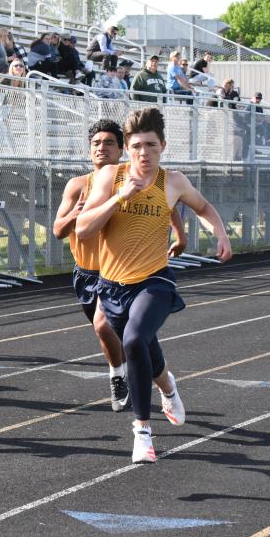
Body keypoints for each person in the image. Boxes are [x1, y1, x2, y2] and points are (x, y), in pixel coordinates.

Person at [76, 107, 232, 463]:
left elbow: (203, 207)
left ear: (162, 146)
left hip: (155, 280)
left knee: (132, 340)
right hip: (113, 285)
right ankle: (169, 386)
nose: (143, 153)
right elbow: (83, 229)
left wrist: (220, 234)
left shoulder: (172, 181)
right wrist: (120, 199)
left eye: (150, 145)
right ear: (127, 149)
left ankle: (142, 431)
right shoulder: (110, 178)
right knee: (145, 349)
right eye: (136, 146)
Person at [54, 119, 187, 413]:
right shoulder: (77, 185)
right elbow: (58, 231)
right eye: (96, 143)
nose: (102, 148)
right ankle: (150, 378)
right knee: (119, 337)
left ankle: (119, 378)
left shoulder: (133, 179)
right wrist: (76, 215)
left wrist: (180, 234)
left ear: (121, 149)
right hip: (84, 274)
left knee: (111, 329)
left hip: (118, 274)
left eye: (109, 143)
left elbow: (168, 206)